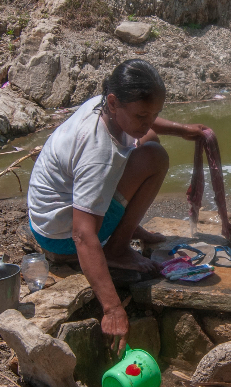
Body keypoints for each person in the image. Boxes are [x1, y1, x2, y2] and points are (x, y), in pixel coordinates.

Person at [27, 59, 206, 354]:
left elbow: (143, 121)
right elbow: (82, 235)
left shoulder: (102, 104)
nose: (149, 120)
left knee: (148, 138)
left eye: (154, 114)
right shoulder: (98, 152)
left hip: (45, 217)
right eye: (141, 115)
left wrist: (180, 129)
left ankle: (125, 229)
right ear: (113, 103)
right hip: (60, 236)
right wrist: (112, 308)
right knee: (154, 158)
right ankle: (117, 248)